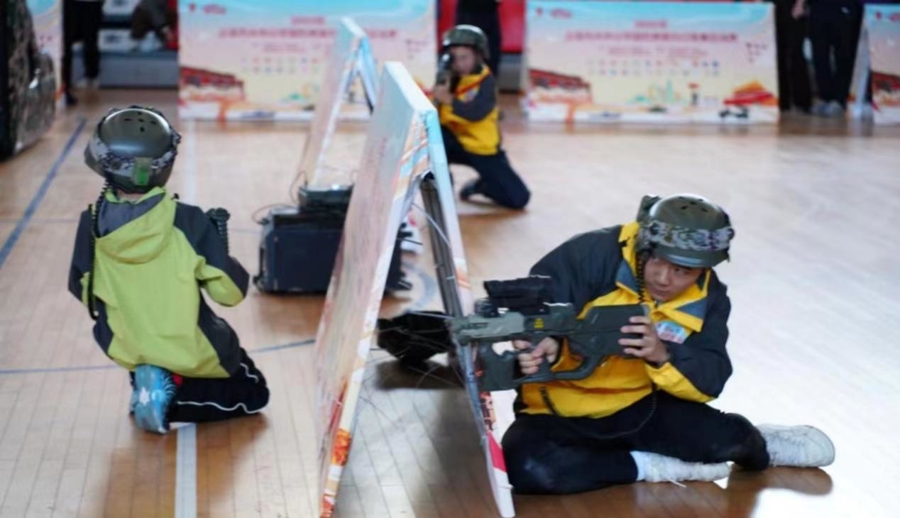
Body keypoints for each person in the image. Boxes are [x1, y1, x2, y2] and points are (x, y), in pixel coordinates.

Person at [501, 194, 835, 494]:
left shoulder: (710, 297)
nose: (663, 278)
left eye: (682, 271)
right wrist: (546, 347)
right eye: (657, 260)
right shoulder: (590, 255)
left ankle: (764, 443)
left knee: (728, 444)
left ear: (705, 268)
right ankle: (653, 466)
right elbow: (533, 313)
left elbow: (710, 380)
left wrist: (663, 356)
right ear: (644, 243)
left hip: (641, 404)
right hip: (554, 411)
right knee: (530, 468)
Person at [68, 106, 269, 434]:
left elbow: (83, 289)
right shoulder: (188, 221)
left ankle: (148, 382)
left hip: (127, 345)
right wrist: (219, 248)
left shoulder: (89, 221)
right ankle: (170, 386)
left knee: (147, 345)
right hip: (189, 348)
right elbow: (229, 294)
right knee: (254, 394)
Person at [433, 25, 530, 210]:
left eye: (464, 57)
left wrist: (449, 99)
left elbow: (476, 113)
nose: (459, 63)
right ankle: (443, 194)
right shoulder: (448, 76)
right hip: (454, 141)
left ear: (478, 55)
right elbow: (433, 113)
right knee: (433, 144)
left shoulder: (486, 81)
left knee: (519, 198)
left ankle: (481, 186)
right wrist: (437, 95)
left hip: (481, 147)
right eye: (454, 57)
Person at [793, 0, 863, 117]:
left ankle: (840, 99)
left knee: (843, 56)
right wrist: (800, 3)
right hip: (818, 8)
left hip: (843, 8)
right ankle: (825, 97)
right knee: (819, 55)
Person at [772, 0, 813, 113]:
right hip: (774, 7)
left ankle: (803, 101)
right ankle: (782, 101)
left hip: (793, 6)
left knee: (796, 53)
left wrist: (800, 3)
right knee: (778, 54)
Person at [62, 0, 105, 106]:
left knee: (90, 40)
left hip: (92, 4)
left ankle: (91, 76)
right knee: (67, 44)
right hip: (71, 5)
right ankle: (65, 83)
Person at [455, 0, 503, 78]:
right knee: (465, 51)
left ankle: (487, 81)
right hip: (469, 13)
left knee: (490, 53)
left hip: (488, 14)